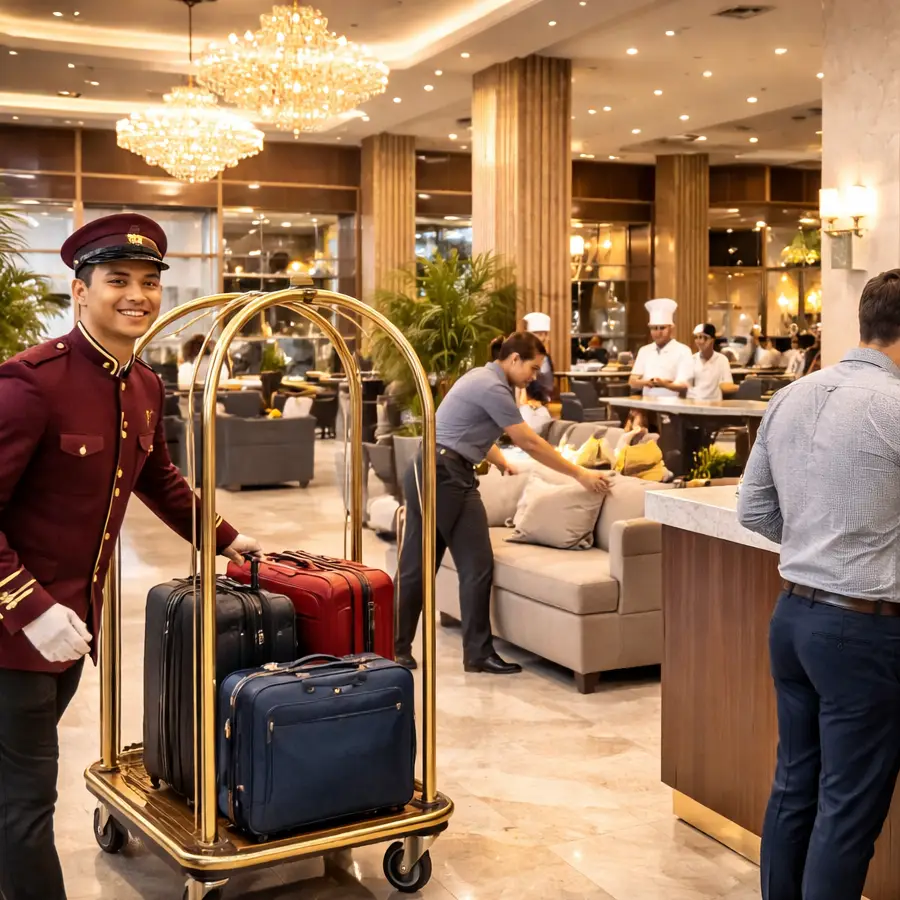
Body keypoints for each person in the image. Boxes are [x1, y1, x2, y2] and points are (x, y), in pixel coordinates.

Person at [0, 213, 261, 900]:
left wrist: (225, 537)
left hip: (71, 630)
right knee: (25, 803)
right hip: (13, 634)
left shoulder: (142, 384)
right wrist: (28, 608)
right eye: (117, 280)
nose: (137, 295)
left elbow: (159, 479)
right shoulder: (31, 382)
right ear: (80, 290)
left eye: (149, 282)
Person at [737, 269, 900, 900]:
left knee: (794, 785)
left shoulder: (791, 395)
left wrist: (818, 541)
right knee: (847, 809)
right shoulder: (894, 405)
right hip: (863, 629)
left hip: (793, 619)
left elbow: (754, 510)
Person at [395, 332, 609, 675]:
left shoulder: (490, 381)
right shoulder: (491, 385)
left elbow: (469, 430)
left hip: (454, 472)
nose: (534, 377)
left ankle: (477, 654)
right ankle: (395, 648)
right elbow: (529, 442)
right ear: (513, 359)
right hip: (439, 473)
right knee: (419, 564)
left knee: (477, 564)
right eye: (533, 368)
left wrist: (500, 461)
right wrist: (580, 474)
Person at [629, 298, 693, 398]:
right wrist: (648, 382)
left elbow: (683, 385)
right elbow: (632, 381)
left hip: (674, 404)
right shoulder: (644, 351)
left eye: (662, 328)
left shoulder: (683, 351)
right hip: (647, 403)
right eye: (654, 328)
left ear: (671, 328)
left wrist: (664, 384)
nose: (658, 333)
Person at [681, 324, 737, 401]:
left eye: (703, 337)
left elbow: (727, 384)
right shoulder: (691, 360)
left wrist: (741, 387)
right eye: (696, 337)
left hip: (715, 404)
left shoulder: (722, 360)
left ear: (712, 339)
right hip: (694, 403)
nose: (699, 341)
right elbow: (684, 386)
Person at [522, 311, 555, 403]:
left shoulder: (547, 357)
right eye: (539, 334)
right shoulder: (522, 357)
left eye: (546, 334)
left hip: (546, 402)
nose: (543, 338)